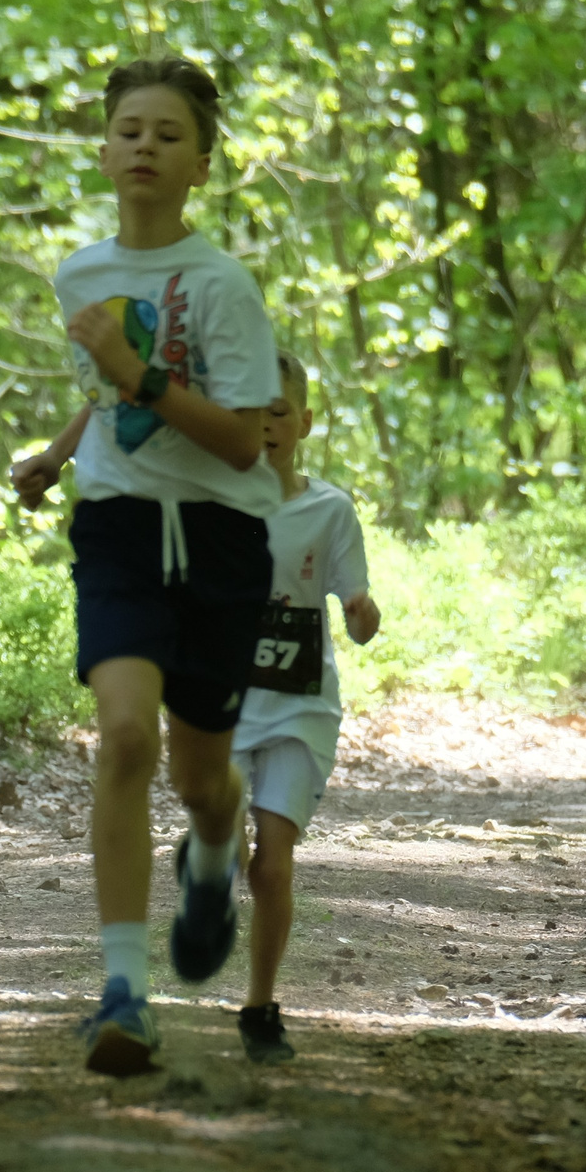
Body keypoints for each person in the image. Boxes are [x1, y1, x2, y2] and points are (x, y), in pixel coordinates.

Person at [12, 54, 281, 1076]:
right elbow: (104, 395)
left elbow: (245, 441)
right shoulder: (79, 275)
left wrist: (139, 374)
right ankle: (121, 993)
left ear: (201, 165)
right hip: (120, 524)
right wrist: (59, 450)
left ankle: (212, 855)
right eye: (129, 129)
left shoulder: (220, 286)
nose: (144, 147)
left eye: (168, 134)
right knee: (123, 739)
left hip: (219, 536)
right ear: (101, 149)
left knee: (202, 776)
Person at [229, 353, 381, 1063]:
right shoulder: (210, 502)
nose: (265, 424)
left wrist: (359, 610)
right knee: (220, 834)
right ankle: (213, 859)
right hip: (223, 700)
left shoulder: (330, 509)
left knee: (275, 862)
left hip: (299, 707)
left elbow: (355, 602)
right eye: (252, 410)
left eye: (279, 412)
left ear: (305, 424)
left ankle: (260, 1007)